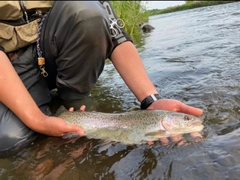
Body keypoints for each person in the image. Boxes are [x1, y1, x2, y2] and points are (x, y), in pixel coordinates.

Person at [0, 1, 203, 152]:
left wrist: (151, 99)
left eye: (184, 120)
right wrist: (38, 120)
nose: (188, 121)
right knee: (9, 140)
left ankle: (73, 101)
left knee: (87, 10)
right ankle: (52, 110)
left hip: (55, 43)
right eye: (184, 120)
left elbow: (114, 31)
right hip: (8, 66)